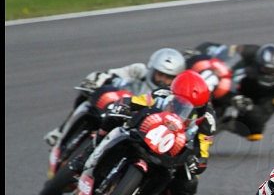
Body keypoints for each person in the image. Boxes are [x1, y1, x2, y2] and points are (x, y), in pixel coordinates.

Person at [69, 70, 216, 195]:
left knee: (187, 188)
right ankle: (87, 154)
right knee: (112, 117)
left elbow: (203, 152)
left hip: (175, 147)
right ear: (173, 94)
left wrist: (196, 163)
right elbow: (137, 102)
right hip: (148, 129)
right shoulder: (163, 93)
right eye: (180, 104)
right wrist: (124, 106)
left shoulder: (208, 121)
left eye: (194, 110)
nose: (186, 111)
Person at [44, 47, 187, 147]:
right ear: (152, 69)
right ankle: (61, 131)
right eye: (159, 74)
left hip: (136, 126)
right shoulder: (139, 70)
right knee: (87, 97)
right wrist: (93, 82)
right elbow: (109, 74)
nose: (162, 80)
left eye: (168, 77)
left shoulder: (172, 97)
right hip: (115, 106)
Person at [183, 42, 274, 141]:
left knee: (255, 131)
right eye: (266, 69)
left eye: (273, 72)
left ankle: (227, 124)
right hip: (238, 84)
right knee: (217, 93)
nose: (269, 74)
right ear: (258, 64)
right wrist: (199, 55)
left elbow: (266, 112)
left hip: (255, 100)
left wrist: (249, 107)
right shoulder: (250, 51)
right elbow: (224, 53)